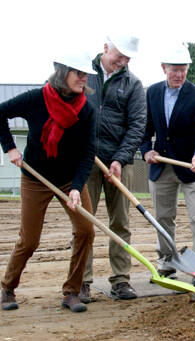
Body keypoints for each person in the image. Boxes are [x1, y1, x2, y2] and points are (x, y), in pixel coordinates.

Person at [0, 53, 97, 312]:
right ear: (62, 72)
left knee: (86, 230)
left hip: (68, 180)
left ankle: (72, 291)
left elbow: (88, 151)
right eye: (78, 72)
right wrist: (9, 148)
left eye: (85, 74)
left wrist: (77, 186)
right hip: (35, 178)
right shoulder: (36, 99)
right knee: (29, 240)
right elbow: (0, 114)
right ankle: (7, 287)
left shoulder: (86, 109)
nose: (83, 78)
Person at [76, 35, 147, 302]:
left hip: (119, 163)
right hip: (85, 162)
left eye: (128, 58)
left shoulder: (133, 84)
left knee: (120, 222)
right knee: (84, 222)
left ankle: (121, 280)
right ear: (105, 48)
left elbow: (137, 125)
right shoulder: (83, 75)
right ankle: (81, 281)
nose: (123, 61)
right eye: (120, 55)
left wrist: (119, 158)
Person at [140, 44, 195, 288]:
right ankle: (166, 261)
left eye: (183, 70)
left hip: (193, 167)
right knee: (163, 217)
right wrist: (145, 150)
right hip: (162, 166)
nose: (179, 75)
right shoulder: (151, 93)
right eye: (174, 70)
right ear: (164, 68)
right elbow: (144, 129)